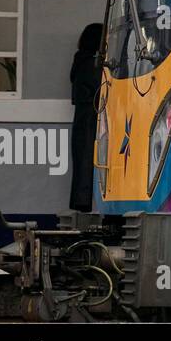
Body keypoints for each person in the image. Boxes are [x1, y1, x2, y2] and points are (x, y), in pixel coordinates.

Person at [68, 23, 103, 212]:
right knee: (88, 159)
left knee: (82, 160)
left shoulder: (80, 61)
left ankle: (81, 200)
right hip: (90, 117)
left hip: (82, 117)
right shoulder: (91, 64)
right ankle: (84, 201)